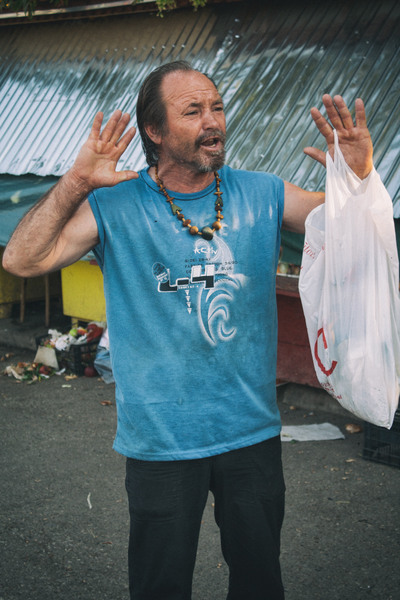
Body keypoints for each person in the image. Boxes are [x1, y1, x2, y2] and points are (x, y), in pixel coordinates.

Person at [2, 61, 373, 599]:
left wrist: (358, 180)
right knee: (161, 586)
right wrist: (77, 182)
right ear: (154, 130)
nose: (212, 121)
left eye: (216, 107)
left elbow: (352, 224)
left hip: (250, 432)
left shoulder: (263, 192)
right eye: (193, 111)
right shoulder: (115, 204)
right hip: (161, 440)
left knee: (260, 582)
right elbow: (21, 259)